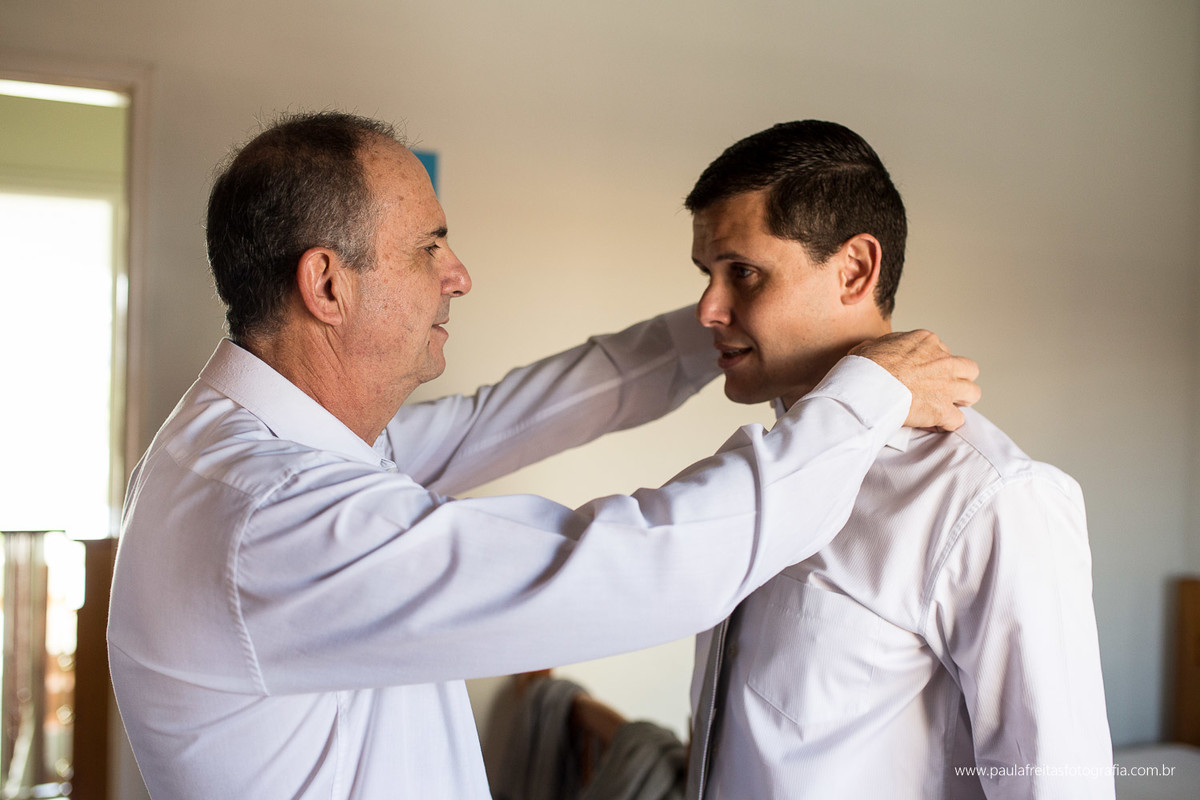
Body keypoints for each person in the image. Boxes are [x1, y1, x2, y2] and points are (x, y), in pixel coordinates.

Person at [106, 111, 980, 800]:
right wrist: (860, 397)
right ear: (327, 284)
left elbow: (512, 417)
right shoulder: (269, 517)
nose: (459, 274)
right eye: (428, 247)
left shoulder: (264, 445)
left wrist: (739, 317)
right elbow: (636, 567)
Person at [682, 121, 1113, 799]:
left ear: (855, 268)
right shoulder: (754, 476)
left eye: (743, 273)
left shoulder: (990, 499)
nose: (707, 308)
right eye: (707, 275)